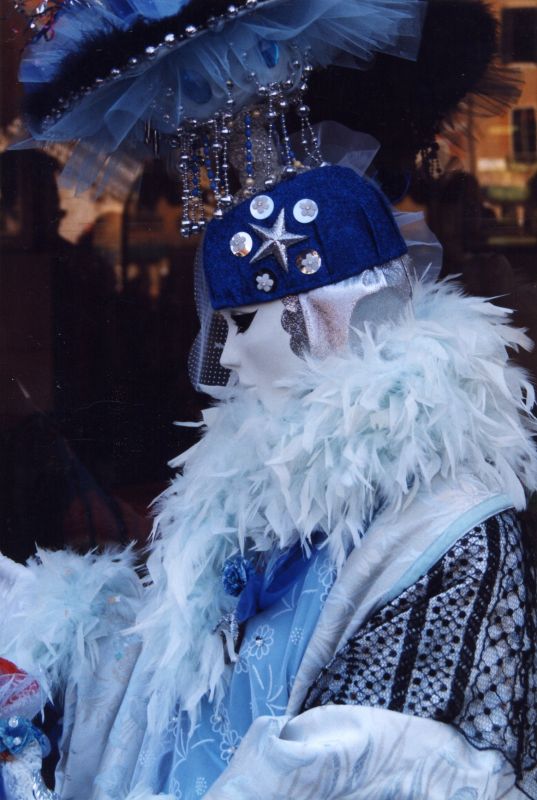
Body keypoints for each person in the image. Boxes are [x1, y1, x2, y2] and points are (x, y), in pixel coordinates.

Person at [1, 1, 536, 798]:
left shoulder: (450, 528)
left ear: (322, 319)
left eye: (246, 321)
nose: (228, 352)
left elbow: (377, 766)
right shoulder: (247, 499)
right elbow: (176, 708)